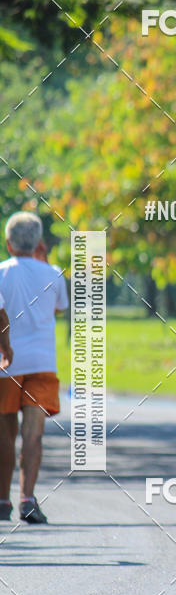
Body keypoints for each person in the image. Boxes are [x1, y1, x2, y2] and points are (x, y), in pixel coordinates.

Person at [0, 212, 68, 524]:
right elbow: (58, 306)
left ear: (8, 243)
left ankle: (3, 500)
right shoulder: (54, 274)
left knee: (5, 433)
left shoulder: (1, 272)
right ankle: (27, 498)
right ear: (39, 241)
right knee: (33, 433)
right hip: (42, 362)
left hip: (6, 364)